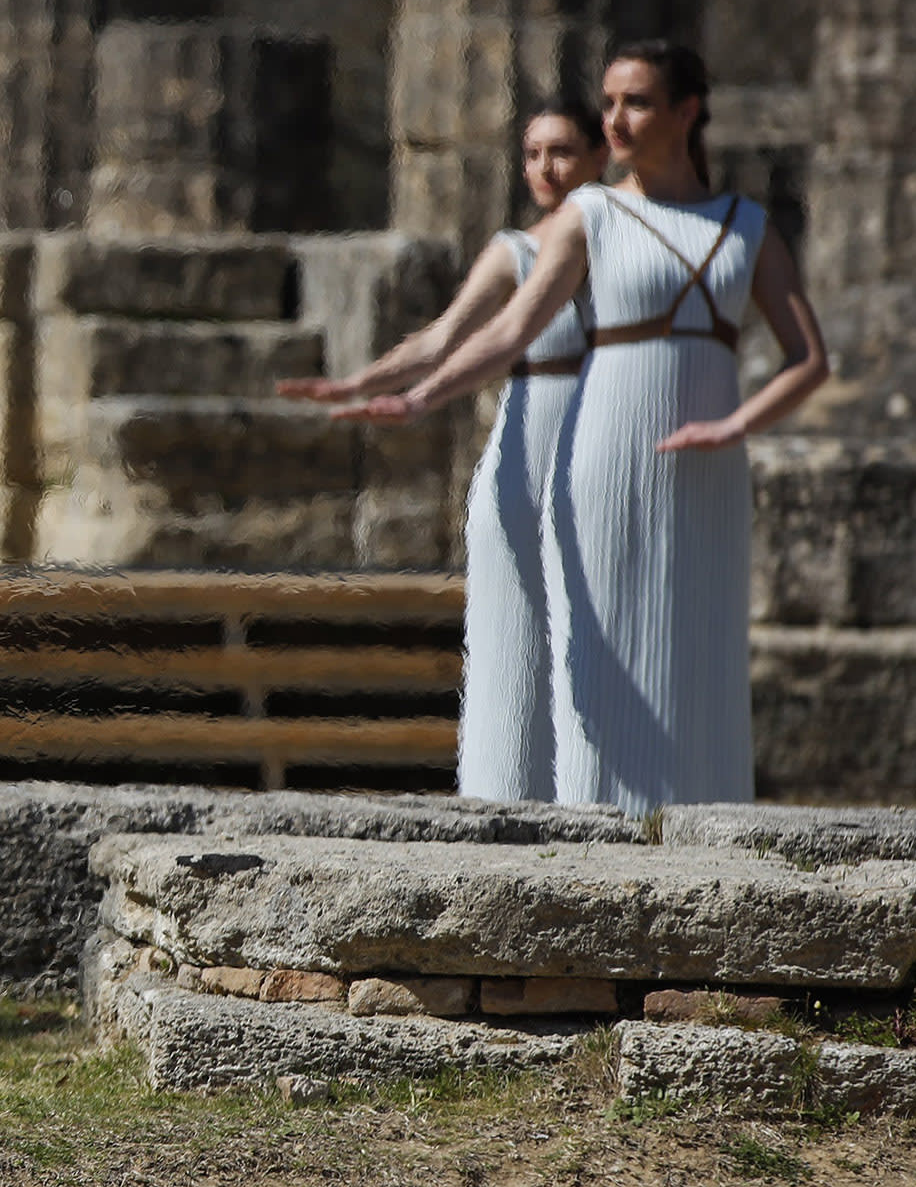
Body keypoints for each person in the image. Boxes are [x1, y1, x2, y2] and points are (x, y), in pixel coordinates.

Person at [337, 43, 831, 815]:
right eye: (608, 103)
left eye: (635, 102)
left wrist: (736, 423)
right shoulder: (590, 214)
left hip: (707, 471)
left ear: (686, 112)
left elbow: (808, 360)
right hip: (605, 456)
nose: (617, 119)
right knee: (598, 675)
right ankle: (595, 852)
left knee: (700, 659)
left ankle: (705, 854)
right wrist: (421, 395)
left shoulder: (747, 225)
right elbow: (507, 335)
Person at [282, 103, 608, 800]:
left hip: (604, 447)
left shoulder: (626, 244)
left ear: (600, 157)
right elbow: (442, 336)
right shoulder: (514, 250)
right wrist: (361, 382)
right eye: (532, 153)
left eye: (562, 151)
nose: (544, 169)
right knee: (515, 632)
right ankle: (505, 794)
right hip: (529, 442)